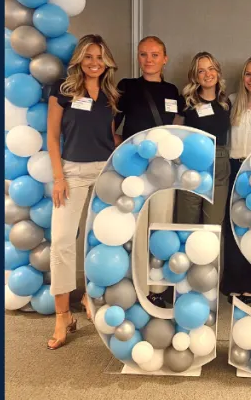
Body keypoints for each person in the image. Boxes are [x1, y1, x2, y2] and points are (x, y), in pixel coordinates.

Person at [47, 34, 121, 350]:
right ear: (79, 60)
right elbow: (52, 137)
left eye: (99, 57)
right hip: (72, 173)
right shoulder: (62, 91)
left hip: (105, 172)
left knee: (98, 242)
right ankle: (62, 315)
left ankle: (91, 300)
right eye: (88, 57)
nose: (94, 63)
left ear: (106, 62)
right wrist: (58, 177)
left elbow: (109, 136)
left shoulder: (110, 95)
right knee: (62, 242)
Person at [113, 36, 185, 308]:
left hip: (164, 171)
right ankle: (133, 283)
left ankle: (155, 288)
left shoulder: (173, 91)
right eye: (143, 54)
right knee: (133, 227)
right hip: (133, 171)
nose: (149, 59)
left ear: (165, 58)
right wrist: (120, 150)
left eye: (155, 54)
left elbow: (178, 131)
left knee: (160, 225)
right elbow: (113, 125)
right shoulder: (127, 87)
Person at [221, 56, 251, 305]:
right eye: (248, 74)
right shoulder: (230, 102)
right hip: (232, 168)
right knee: (232, 228)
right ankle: (232, 284)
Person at [175, 51, 231, 236]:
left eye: (211, 69)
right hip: (191, 166)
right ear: (195, 76)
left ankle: (214, 265)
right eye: (201, 71)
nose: (208, 74)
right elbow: (175, 136)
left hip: (220, 166)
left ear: (218, 72)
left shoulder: (225, 102)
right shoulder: (186, 102)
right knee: (186, 223)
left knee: (214, 226)